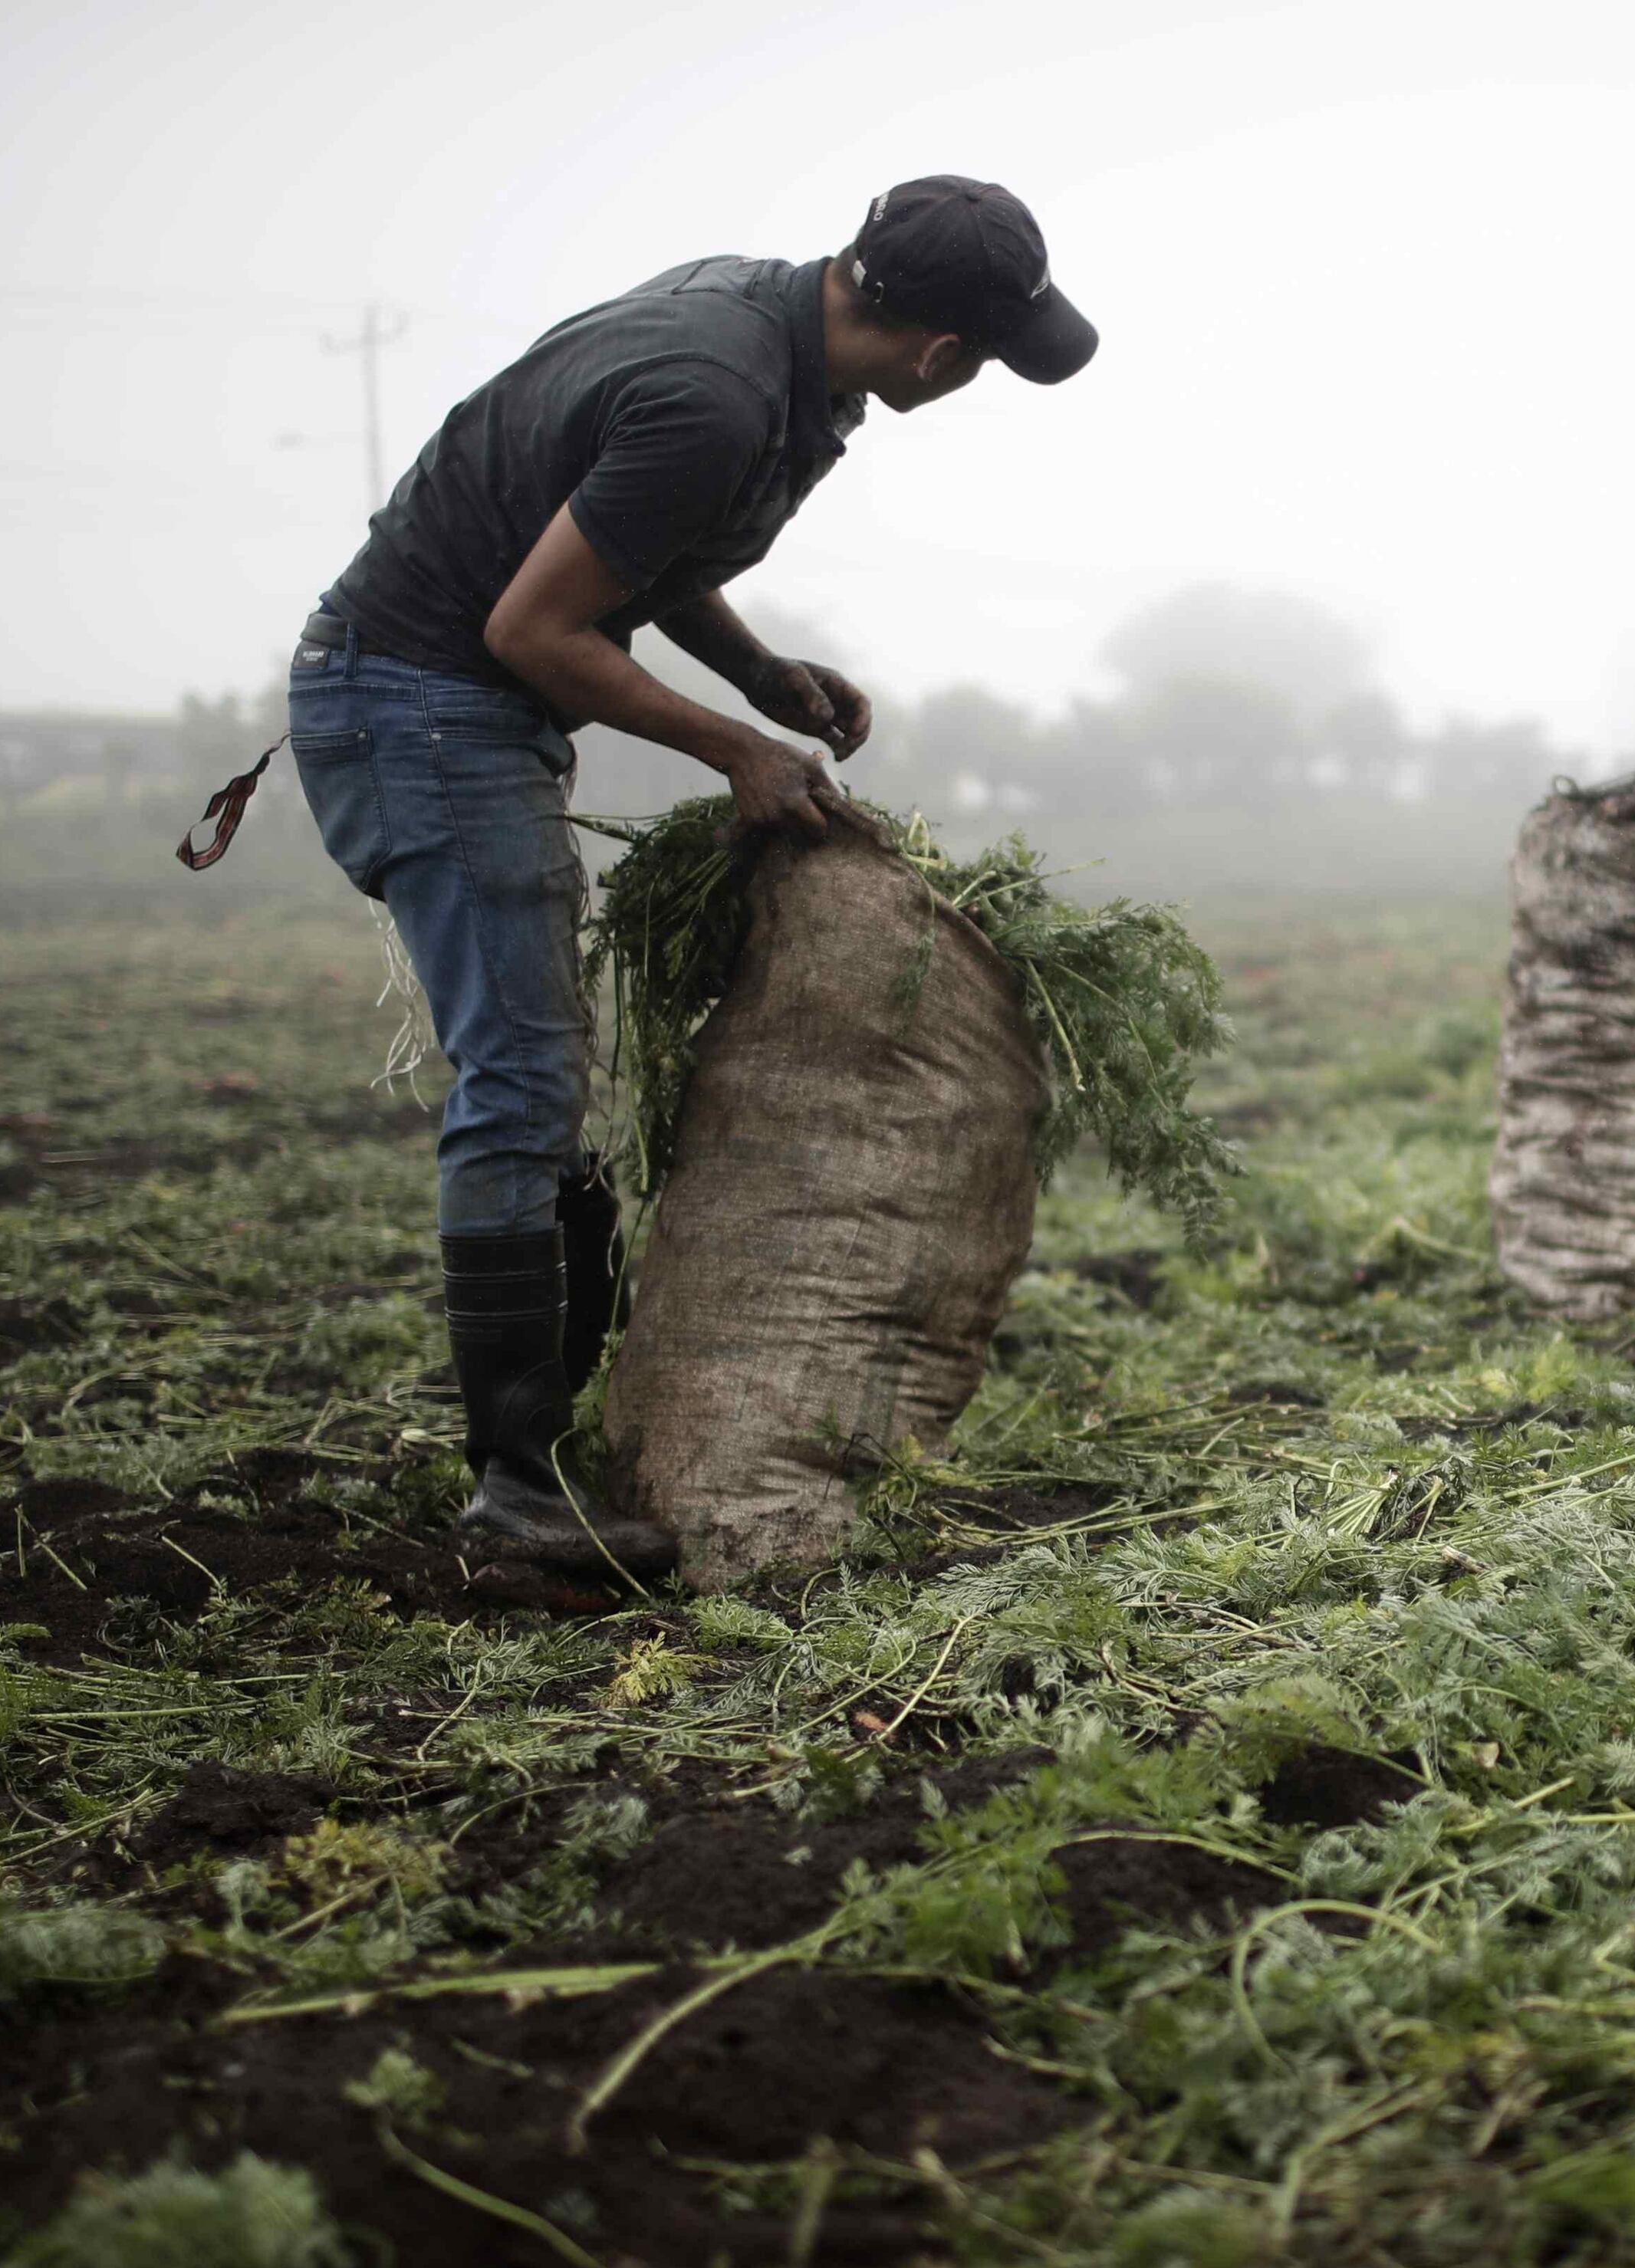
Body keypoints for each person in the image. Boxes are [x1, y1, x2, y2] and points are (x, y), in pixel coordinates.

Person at [287, 178, 1097, 1574]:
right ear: (939, 353)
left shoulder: (776, 331)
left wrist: (758, 673)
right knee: (522, 1078)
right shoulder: (715, 391)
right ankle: (512, 1490)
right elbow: (535, 628)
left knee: (540, 1075)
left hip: (445, 699)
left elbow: (632, 545)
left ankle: (543, 1449)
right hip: (420, 705)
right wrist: (737, 749)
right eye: (985, 363)